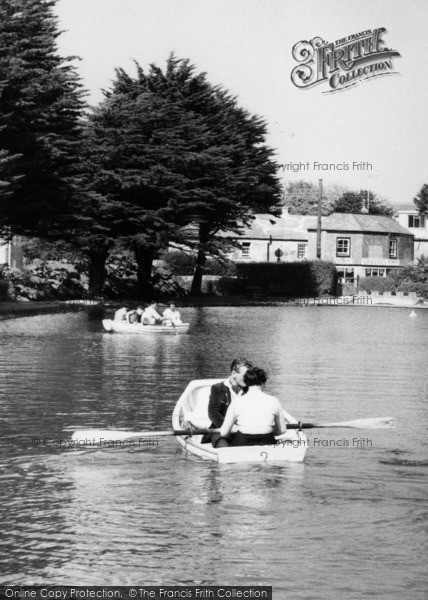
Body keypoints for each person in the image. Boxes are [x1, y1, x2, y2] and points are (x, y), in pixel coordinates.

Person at [218, 367, 287, 447]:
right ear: (263, 383)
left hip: (243, 442)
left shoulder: (237, 402)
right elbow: (282, 430)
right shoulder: (274, 401)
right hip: (267, 441)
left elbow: (224, 433)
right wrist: (269, 430)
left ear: (246, 383)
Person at [201, 357, 253, 448]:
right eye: (245, 376)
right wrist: (229, 427)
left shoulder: (251, 390)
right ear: (233, 373)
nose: (247, 379)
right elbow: (213, 413)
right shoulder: (217, 388)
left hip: (243, 431)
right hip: (221, 430)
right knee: (222, 444)